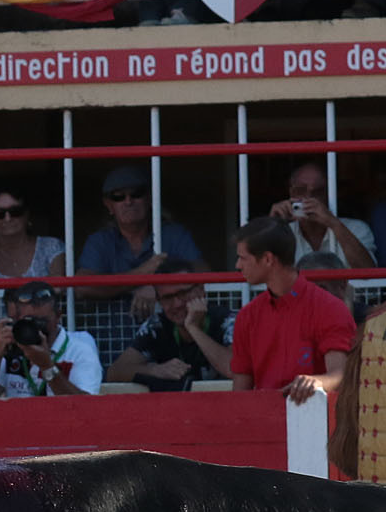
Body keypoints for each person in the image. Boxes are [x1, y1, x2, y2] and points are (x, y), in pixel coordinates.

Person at [229, 217, 356, 404]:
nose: (237, 265)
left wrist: (316, 382)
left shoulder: (329, 308)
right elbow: (239, 396)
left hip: (317, 420)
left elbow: (340, 375)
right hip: (266, 420)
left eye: (242, 258)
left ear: (267, 259)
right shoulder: (248, 315)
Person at [76, 163, 207, 332]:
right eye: (118, 197)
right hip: (113, 342)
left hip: (169, 337)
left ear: (150, 198)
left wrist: (157, 285)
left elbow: (203, 271)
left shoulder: (173, 234)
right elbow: (83, 286)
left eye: (136, 194)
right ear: (109, 205)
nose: (128, 201)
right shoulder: (100, 241)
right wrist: (143, 273)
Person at [105, 260, 231, 390]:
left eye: (183, 293)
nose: (177, 303)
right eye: (168, 298)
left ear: (200, 290)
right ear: (159, 301)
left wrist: (193, 328)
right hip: (176, 407)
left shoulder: (227, 320)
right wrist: (155, 370)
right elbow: (114, 372)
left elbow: (233, 368)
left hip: (224, 404)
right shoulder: (156, 325)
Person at [0, 280, 102, 399]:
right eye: (29, 322)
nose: (37, 328)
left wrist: (47, 367)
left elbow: (85, 408)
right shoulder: (10, 348)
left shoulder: (79, 351)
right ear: (17, 319)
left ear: (58, 316)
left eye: (42, 322)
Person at [267, 161, 377, 269]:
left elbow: (369, 275)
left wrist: (333, 223)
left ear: (331, 194)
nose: (308, 198)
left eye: (318, 192)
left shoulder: (356, 228)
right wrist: (272, 226)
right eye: (301, 190)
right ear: (291, 193)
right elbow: (259, 274)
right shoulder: (283, 233)